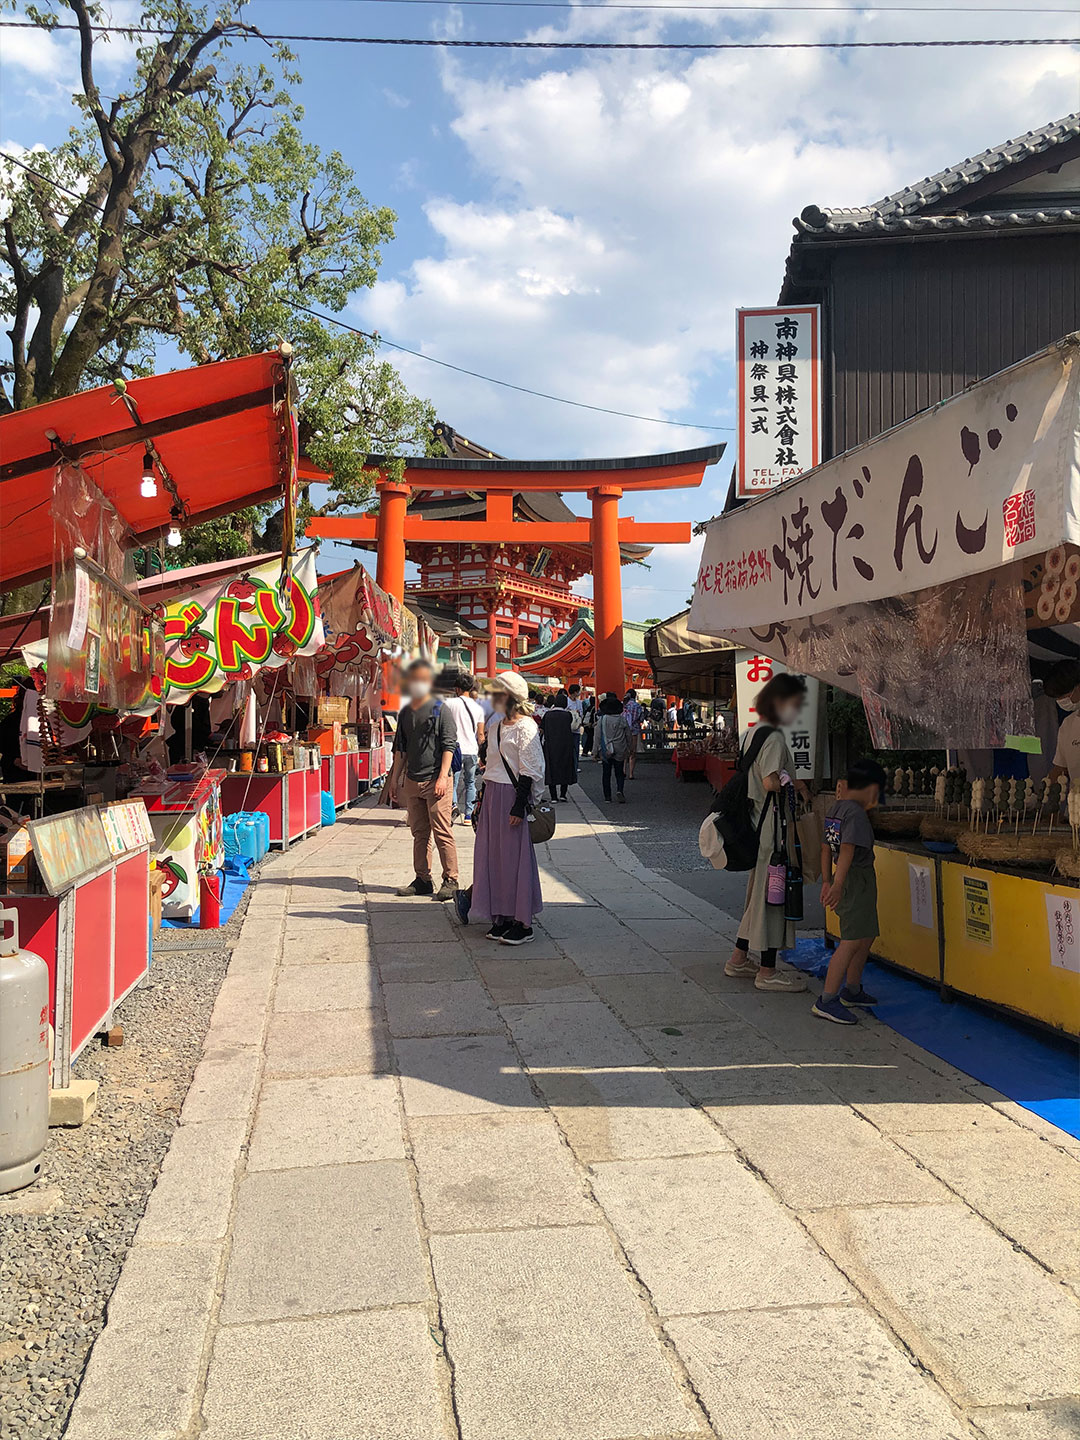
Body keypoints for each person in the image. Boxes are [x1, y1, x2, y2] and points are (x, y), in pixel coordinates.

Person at [724, 673, 810, 992]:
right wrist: (791, 782)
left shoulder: (751, 733)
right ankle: (768, 969)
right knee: (774, 896)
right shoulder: (773, 737)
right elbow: (770, 780)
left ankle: (738, 957)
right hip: (773, 827)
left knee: (758, 893)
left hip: (756, 822)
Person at [456, 671, 545, 944]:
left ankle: (522, 922)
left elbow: (530, 769)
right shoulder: (496, 727)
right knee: (493, 857)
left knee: (513, 859)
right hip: (493, 793)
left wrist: (520, 806)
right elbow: (491, 766)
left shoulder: (526, 727)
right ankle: (502, 916)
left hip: (511, 797)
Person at [814, 759, 889, 1024]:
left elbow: (825, 848)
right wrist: (837, 884)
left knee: (864, 935)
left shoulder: (835, 810)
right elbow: (846, 850)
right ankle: (827, 999)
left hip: (849, 879)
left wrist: (827, 880)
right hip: (854, 880)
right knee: (851, 941)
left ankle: (852, 989)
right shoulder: (855, 814)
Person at [388, 658, 459, 900]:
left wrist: (442, 777)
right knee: (419, 832)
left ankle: (451, 879)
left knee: (442, 831)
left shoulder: (442, 709)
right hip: (413, 779)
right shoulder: (406, 711)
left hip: (435, 779)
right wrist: (394, 781)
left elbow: (449, 746)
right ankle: (422, 878)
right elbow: (401, 749)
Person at [444, 672, 485, 823]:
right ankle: (469, 814)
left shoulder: (449, 704)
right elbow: (480, 734)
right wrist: (482, 753)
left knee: (452, 782)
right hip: (471, 749)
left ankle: (453, 807)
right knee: (470, 782)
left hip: (454, 748)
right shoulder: (478, 708)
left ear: (457, 689)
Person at [1045, 659, 1080, 786]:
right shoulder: (1068, 724)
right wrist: (1042, 793)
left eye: (1063, 695)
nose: (1060, 701)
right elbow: (1060, 768)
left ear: (1078, 688)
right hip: (1076, 803)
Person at [540, 691, 576, 801]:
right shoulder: (567, 715)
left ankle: (553, 796)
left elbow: (542, 729)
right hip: (565, 745)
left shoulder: (548, 715)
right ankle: (563, 795)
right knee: (565, 767)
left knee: (551, 769)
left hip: (550, 745)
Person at [597, 693, 632, 803]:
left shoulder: (602, 720)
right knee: (619, 772)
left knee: (606, 773)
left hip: (606, 748)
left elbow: (597, 736)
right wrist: (630, 748)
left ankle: (607, 797)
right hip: (620, 747)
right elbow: (628, 735)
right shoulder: (622, 719)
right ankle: (620, 790)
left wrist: (594, 751)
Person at [623, 688, 645, 780]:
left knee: (624, 752)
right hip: (634, 730)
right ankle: (631, 773)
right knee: (632, 752)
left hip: (624, 730)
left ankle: (623, 771)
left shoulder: (623, 705)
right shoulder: (637, 706)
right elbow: (641, 719)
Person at [566, 683, 584, 776]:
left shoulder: (579, 702)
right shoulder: (566, 701)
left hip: (576, 728)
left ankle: (575, 766)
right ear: (575, 692)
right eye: (578, 691)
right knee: (568, 749)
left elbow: (581, 713)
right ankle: (568, 767)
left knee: (576, 749)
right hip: (568, 728)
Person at [581, 691, 596, 757]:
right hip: (590, 725)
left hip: (585, 724)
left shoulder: (588, 708)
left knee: (588, 738)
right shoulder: (594, 708)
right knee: (590, 738)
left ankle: (587, 750)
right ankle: (587, 750)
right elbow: (592, 716)